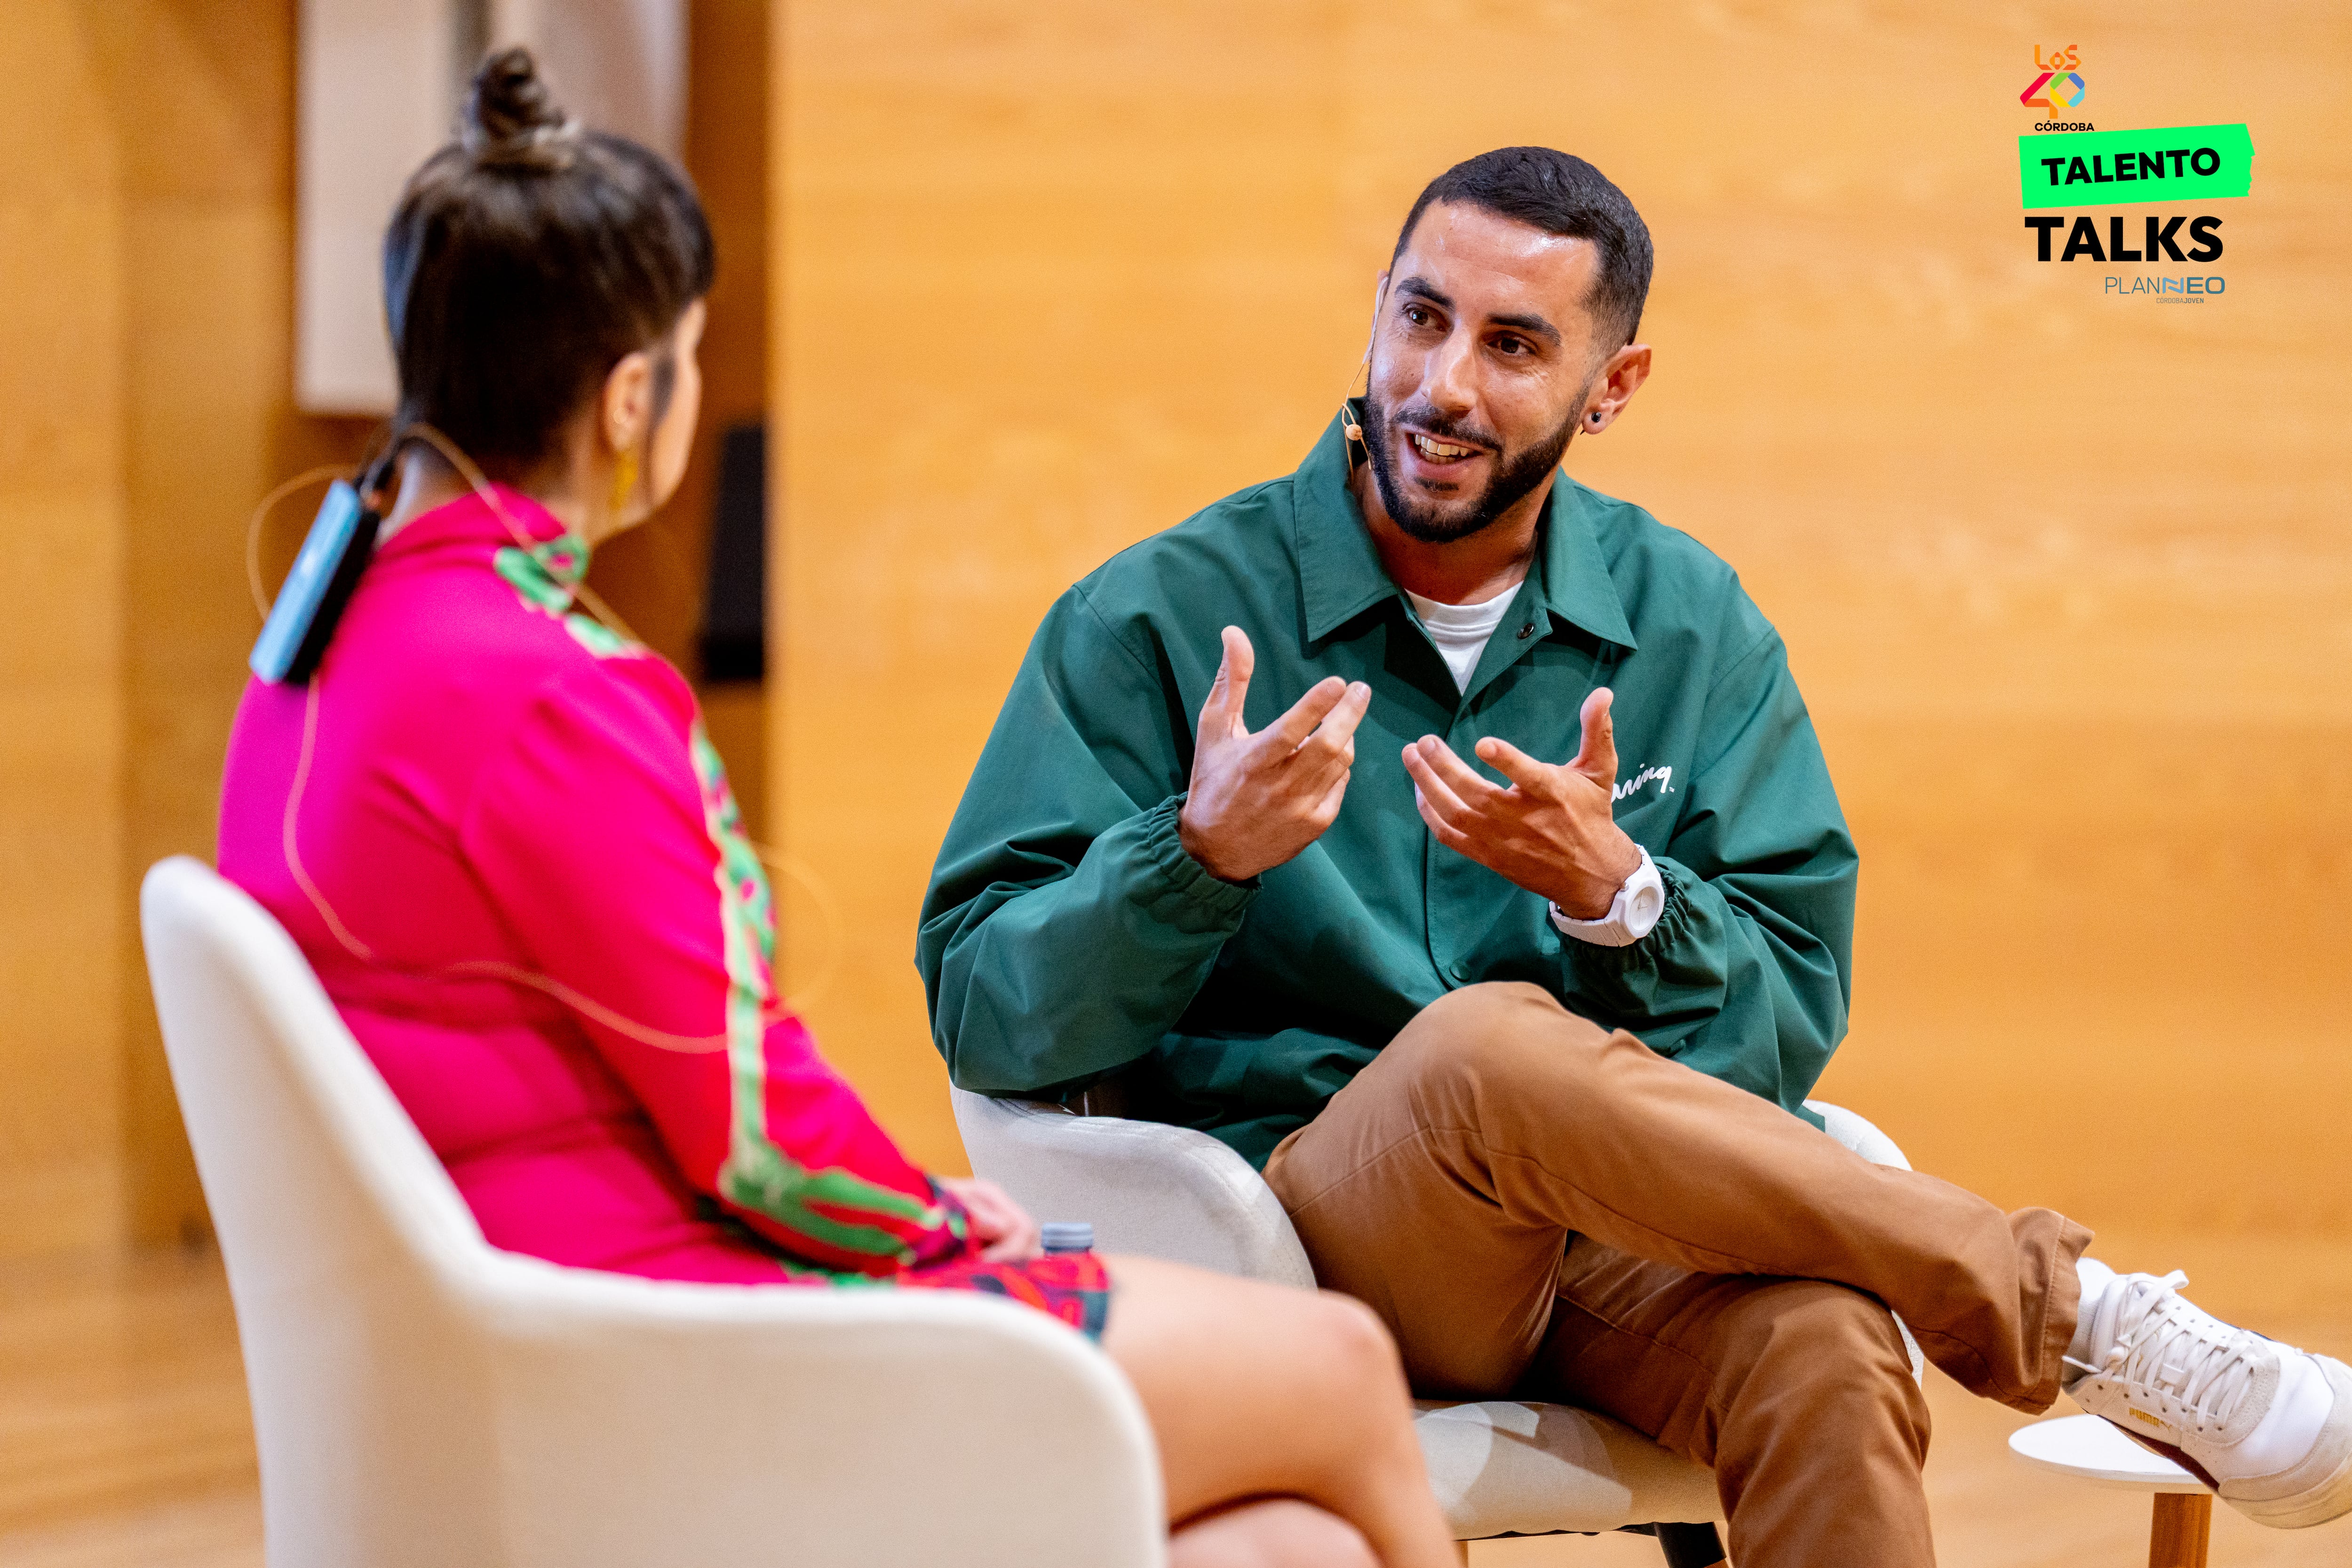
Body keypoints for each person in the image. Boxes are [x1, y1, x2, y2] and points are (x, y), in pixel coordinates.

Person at [921, 146, 2352, 1565]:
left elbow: (1793, 1009)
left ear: (1614, 387)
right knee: (1483, 1052)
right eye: (1421, 318)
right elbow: (984, 1003)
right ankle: (2083, 1319)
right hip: (1305, 1236)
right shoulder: (1163, 615)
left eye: (1516, 345)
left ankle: (2046, 1317)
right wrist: (1192, 858)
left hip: (1612, 1244)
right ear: (1375, 312)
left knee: (1832, 1349)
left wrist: (1626, 901)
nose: (1443, 387)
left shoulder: (1687, 622)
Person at [217, 50, 1461, 1568]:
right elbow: (749, 1138)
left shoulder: (317, 647)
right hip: (650, 1334)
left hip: (510, 1300)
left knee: (1285, 1549)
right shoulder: (553, 689)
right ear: (631, 398)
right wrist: (943, 1225)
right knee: (1337, 1374)